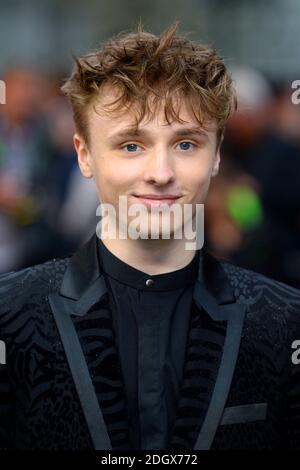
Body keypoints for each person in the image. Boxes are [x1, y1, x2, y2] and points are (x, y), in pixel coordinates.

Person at [0, 23, 300, 450]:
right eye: (131, 145)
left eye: (185, 145)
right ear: (84, 154)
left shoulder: (284, 323)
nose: (160, 173)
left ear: (217, 156)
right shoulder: (10, 319)